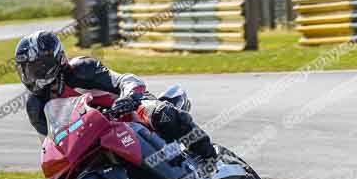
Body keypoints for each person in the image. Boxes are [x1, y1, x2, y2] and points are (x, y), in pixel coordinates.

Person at [15, 30, 218, 163]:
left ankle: (210, 159)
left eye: (37, 67)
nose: (32, 75)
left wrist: (128, 98)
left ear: (55, 59)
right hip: (94, 137)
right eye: (26, 70)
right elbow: (50, 145)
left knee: (159, 113)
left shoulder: (82, 69)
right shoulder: (36, 105)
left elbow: (126, 80)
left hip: (129, 112)